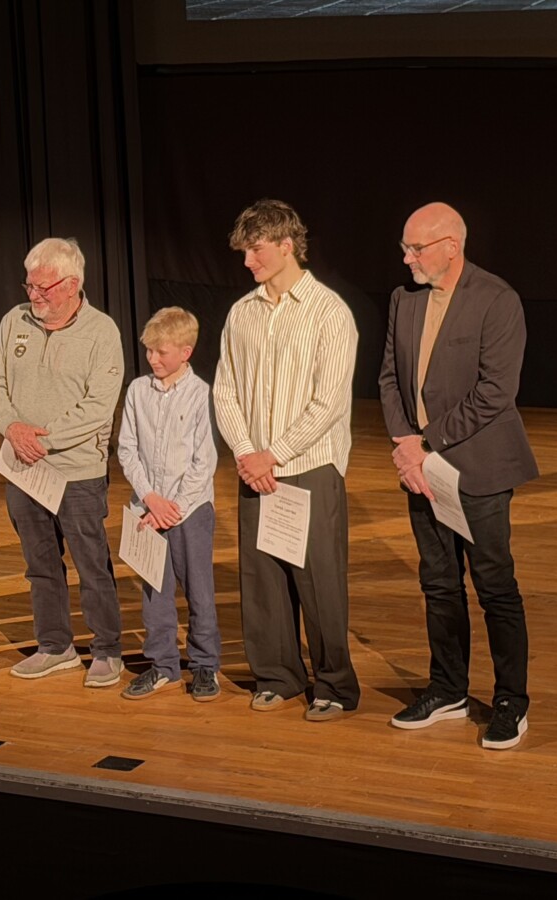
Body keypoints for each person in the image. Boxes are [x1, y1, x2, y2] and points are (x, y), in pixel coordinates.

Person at [379, 202, 539, 751]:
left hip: (479, 469)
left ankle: (511, 701)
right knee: (438, 584)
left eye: (415, 248)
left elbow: (496, 392)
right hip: (420, 469)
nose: (406, 258)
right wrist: (405, 446)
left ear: (451, 245)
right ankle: (447, 688)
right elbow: (389, 379)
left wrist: (424, 444)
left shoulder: (497, 300)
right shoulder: (404, 300)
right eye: (405, 247)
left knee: (494, 586)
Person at [213, 198, 359, 722]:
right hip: (256, 466)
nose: (247, 261)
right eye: (244, 252)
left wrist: (275, 453)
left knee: (318, 581)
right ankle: (277, 675)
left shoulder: (329, 312)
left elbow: (329, 401)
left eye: (255, 250)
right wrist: (248, 454)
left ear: (286, 245)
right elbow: (225, 390)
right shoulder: (242, 313)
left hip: (309, 465)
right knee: (263, 579)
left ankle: (335, 684)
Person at [0, 237, 126, 688]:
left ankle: (106, 650)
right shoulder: (14, 321)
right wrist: (12, 428)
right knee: (40, 564)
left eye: (44, 287)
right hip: (22, 469)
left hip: (77, 473)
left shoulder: (102, 332)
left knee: (91, 564)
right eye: (30, 285)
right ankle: (55, 646)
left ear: (72, 284)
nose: (34, 295)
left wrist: (44, 440)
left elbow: (99, 405)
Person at [116, 307, 221, 702]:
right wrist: (150, 499)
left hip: (189, 511)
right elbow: (127, 448)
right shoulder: (137, 391)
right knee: (154, 593)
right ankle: (163, 666)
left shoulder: (201, 394)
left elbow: (204, 461)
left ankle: (205, 665)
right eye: (149, 351)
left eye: (161, 352)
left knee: (199, 591)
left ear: (186, 351)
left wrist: (172, 506)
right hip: (148, 509)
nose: (153, 359)